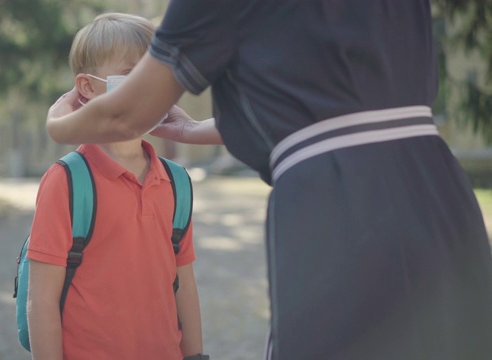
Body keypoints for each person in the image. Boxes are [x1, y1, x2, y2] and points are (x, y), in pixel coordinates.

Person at [45, 2, 492, 360]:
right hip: (435, 184)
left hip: (337, 197)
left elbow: (126, 112)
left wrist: (59, 124)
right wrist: (191, 130)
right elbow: (333, 103)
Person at [26, 13, 206, 360]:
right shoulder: (67, 182)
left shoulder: (176, 183)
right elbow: (42, 301)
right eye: (130, 74)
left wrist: (196, 355)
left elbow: (184, 283)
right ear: (88, 87)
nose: (146, 88)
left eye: (154, 75)